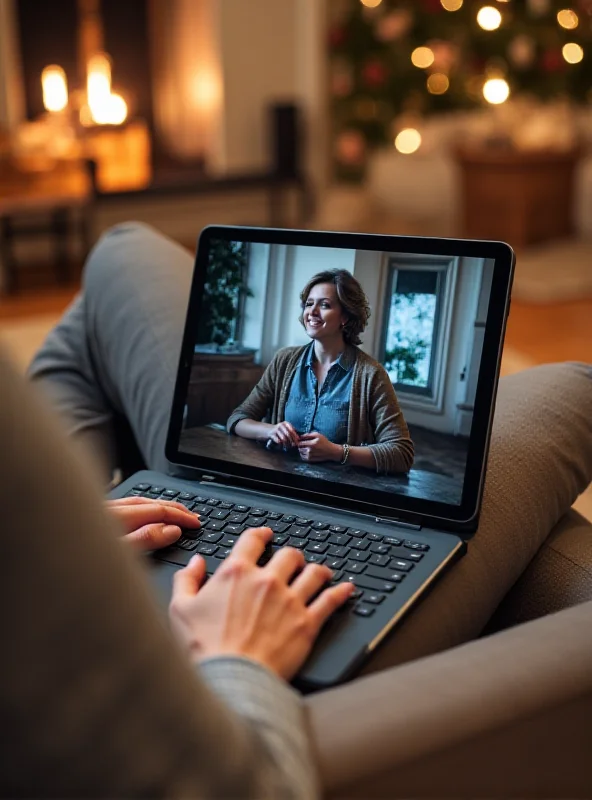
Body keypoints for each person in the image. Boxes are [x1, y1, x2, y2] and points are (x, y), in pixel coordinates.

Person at [227, 269, 414, 474]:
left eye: (324, 305)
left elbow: (402, 453)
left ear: (345, 316)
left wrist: (337, 452)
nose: (312, 312)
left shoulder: (371, 375)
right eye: (309, 304)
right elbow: (237, 420)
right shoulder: (284, 360)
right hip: (278, 481)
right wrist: (270, 430)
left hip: (338, 492)